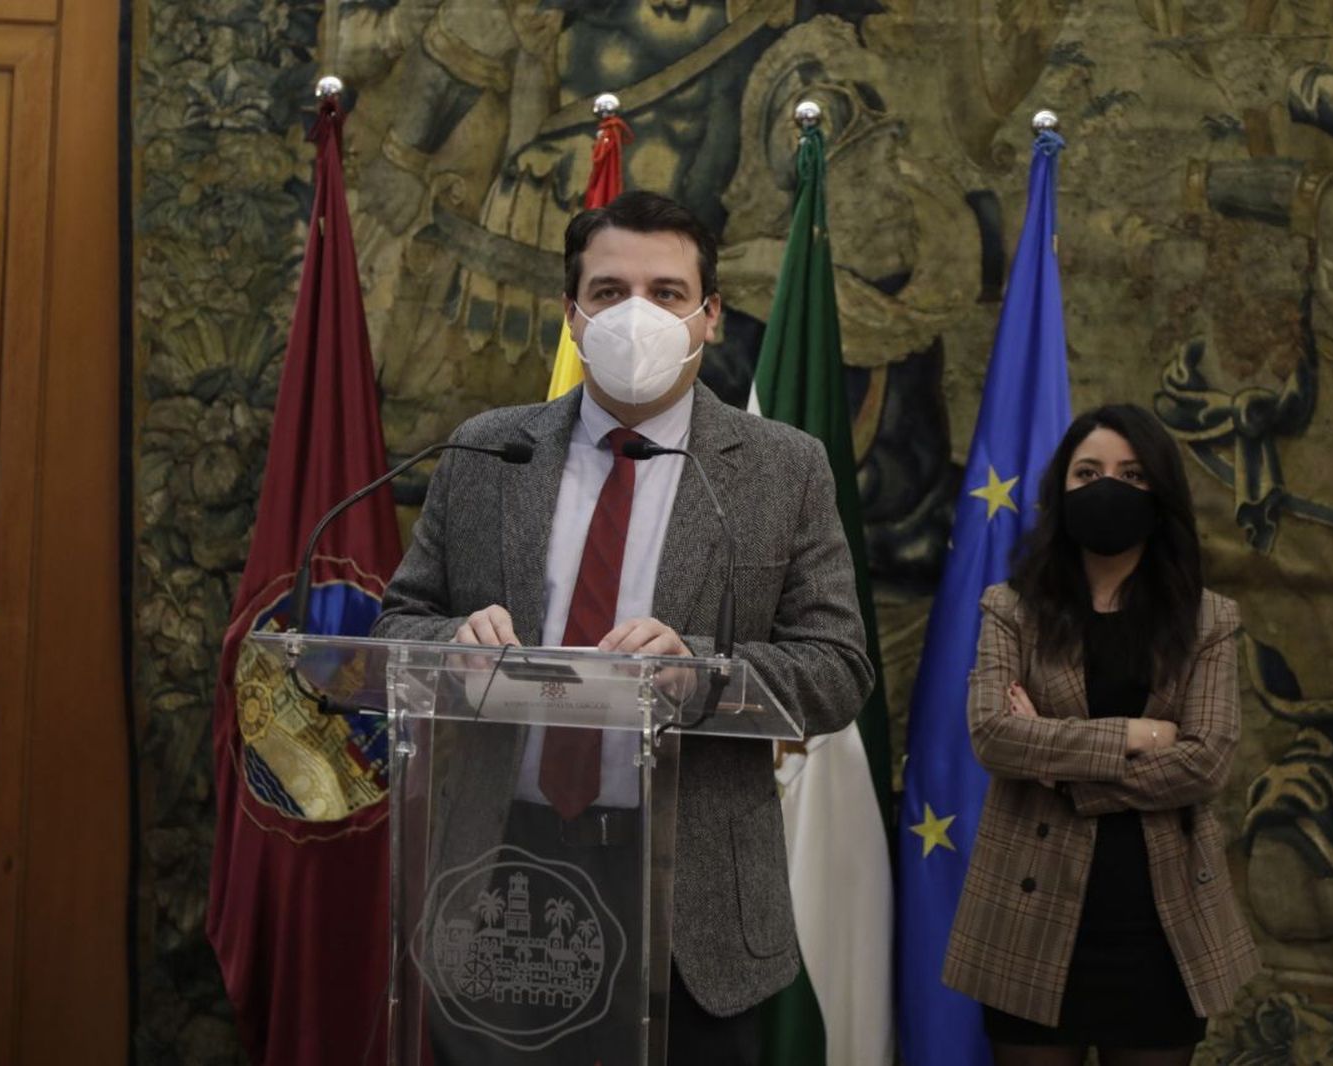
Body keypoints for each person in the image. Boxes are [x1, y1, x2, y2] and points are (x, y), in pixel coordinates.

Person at [371, 190, 873, 1065]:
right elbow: (397, 623)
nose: (635, 314)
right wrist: (448, 644)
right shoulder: (489, 450)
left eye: (667, 293)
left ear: (710, 317)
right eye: (608, 293)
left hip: (693, 895)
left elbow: (836, 671)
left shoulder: (781, 469)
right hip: (502, 872)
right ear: (571, 315)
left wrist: (701, 673)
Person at [942, 404, 1259, 1066]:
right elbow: (994, 735)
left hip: (1159, 924)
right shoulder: (1012, 608)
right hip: (1027, 916)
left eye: (1131, 474)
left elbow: (1206, 763)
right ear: (1061, 489)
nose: (1106, 488)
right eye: (1088, 472)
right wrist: (1138, 734)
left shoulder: (1209, 620)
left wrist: (1057, 768)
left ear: (1160, 494)